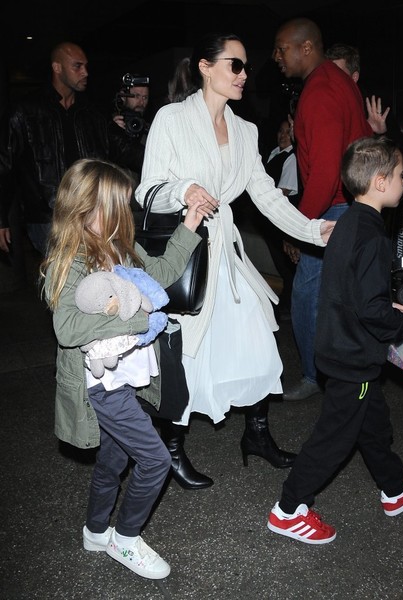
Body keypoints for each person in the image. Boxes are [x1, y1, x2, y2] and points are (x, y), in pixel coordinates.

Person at [135, 32, 335, 489]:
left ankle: (258, 436)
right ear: (205, 67)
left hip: (226, 252)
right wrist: (183, 190)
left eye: (247, 67)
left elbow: (264, 193)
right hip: (186, 252)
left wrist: (312, 229)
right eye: (235, 65)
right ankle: (169, 451)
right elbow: (145, 189)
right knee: (186, 352)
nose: (244, 74)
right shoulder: (172, 119)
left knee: (258, 338)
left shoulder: (246, 131)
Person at [40, 157, 216, 578]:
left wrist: (189, 224)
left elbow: (163, 274)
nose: (125, 213)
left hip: (123, 376)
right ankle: (126, 538)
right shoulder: (71, 259)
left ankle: (96, 530)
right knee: (155, 460)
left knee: (114, 460)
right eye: (116, 204)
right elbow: (66, 327)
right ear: (86, 208)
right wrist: (136, 317)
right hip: (100, 384)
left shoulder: (121, 247)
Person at [267, 136, 403, 544]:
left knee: (373, 423)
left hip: (341, 349)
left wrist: (386, 305)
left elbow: (357, 295)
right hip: (353, 358)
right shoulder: (372, 238)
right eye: (401, 176)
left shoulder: (349, 221)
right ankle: (289, 509)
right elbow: (371, 313)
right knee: (335, 438)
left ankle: (396, 489)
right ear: (381, 182)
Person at [272, 18, 372, 401]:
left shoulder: (320, 92)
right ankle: (343, 372)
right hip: (351, 205)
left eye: (282, 49)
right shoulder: (338, 79)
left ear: (307, 47)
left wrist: (300, 227)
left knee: (307, 294)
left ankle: (315, 376)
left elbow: (328, 172)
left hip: (333, 209)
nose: (277, 56)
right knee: (342, 295)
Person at [0, 42, 138, 258]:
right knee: (65, 278)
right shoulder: (25, 111)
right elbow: (4, 166)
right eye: (77, 66)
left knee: (94, 279)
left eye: (86, 66)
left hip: (93, 213)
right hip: (48, 218)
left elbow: (127, 151)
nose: (85, 72)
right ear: (57, 68)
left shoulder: (93, 113)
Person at [252, 118, 299, 318]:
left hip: (282, 217)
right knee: (280, 262)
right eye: (281, 131)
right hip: (269, 217)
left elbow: (284, 192)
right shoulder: (274, 153)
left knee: (287, 264)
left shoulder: (292, 158)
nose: (283, 136)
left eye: (288, 132)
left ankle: (289, 305)